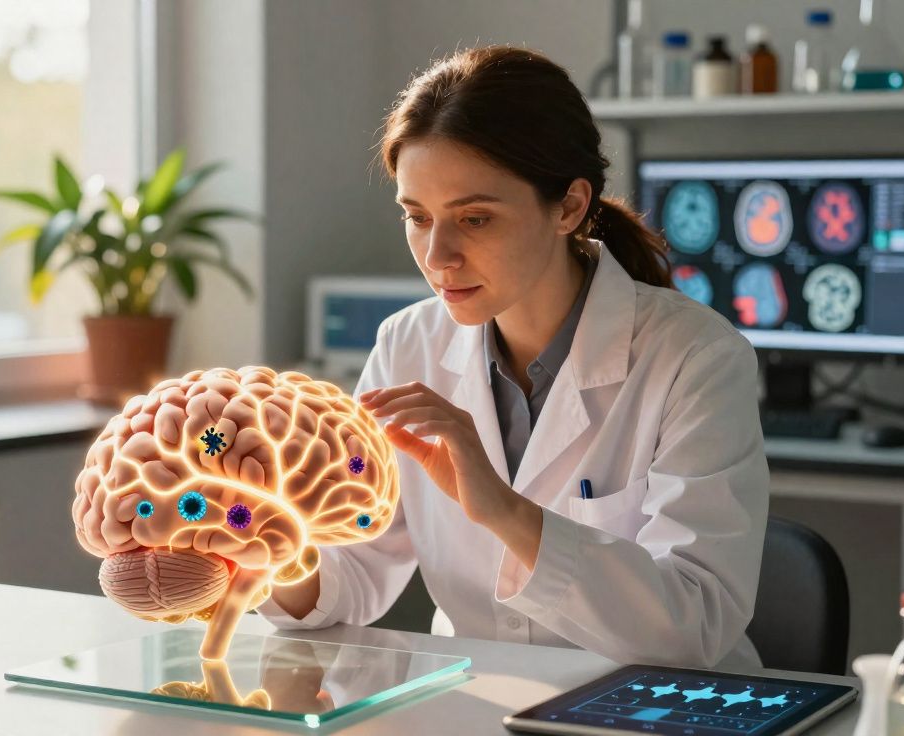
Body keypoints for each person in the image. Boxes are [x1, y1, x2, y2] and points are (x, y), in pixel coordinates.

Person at [258, 45, 769, 669]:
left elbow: (692, 628)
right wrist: (265, 542)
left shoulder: (696, 358)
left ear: (570, 206)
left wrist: (502, 509)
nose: (437, 256)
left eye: (475, 219)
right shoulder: (407, 345)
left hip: (656, 711)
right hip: (479, 702)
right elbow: (355, 570)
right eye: (417, 218)